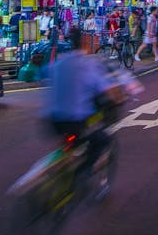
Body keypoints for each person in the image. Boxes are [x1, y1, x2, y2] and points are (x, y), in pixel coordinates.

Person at [43, 44, 125, 180]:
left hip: (51, 119)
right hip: (76, 120)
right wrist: (119, 99)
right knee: (102, 140)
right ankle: (83, 172)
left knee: (69, 141)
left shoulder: (56, 65)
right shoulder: (87, 66)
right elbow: (110, 90)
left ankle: (63, 163)